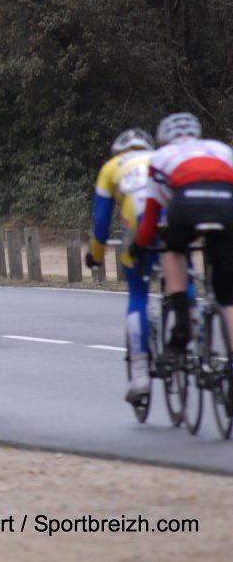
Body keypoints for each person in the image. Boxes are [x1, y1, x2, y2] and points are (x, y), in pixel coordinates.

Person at [134, 112, 233, 367]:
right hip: (226, 205)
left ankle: (181, 319)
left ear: (164, 140)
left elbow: (152, 213)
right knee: (227, 295)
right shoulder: (220, 149)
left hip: (186, 203)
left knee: (173, 250)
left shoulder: (160, 157)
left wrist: (141, 244)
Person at [86, 128, 157, 405]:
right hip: (175, 218)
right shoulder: (162, 157)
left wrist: (97, 254)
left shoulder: (110, 167)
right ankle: (191, 316)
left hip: (138, 222)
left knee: (138, 294)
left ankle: (139, 374)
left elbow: (101, 221)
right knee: (180, 272)